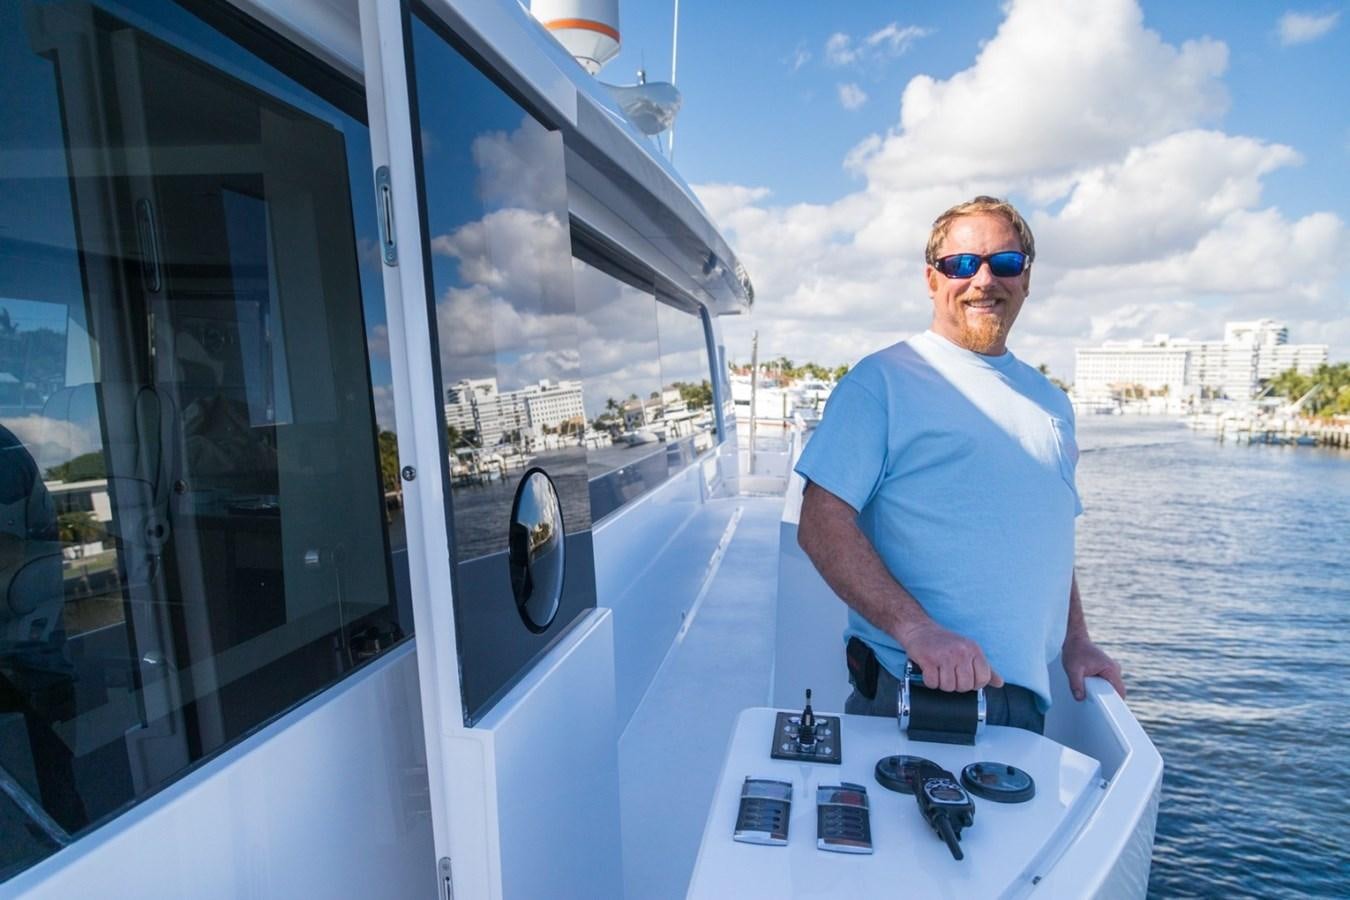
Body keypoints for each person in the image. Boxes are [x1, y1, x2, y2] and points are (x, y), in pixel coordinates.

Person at [794, 196, 1124, 734]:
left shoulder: (1052, 403)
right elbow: (819, 522)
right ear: (931, 279)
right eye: (963, 264)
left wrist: (1077, 641)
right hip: (920, 693)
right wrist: (918, 630)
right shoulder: (881, 383)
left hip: (1024, 704)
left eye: (1006, 263)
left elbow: (1048, 537)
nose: (984, 280)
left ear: (1027, 279)